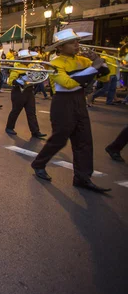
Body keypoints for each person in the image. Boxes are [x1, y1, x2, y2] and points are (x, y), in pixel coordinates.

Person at [31, 29, 111, 192]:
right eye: (72, 42)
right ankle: (39, 163)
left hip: (79, 101)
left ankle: (82, 177)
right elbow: (67, 83)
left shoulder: (83, 60)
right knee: (59, 139)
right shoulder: (55, 64)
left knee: (84, 140)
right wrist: (93, 69)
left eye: (77, 41)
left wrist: (101, 64)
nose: (77, 45)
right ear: (60, 47)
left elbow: (104, 78)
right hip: (63, 102)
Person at [5, 49, 47, 139]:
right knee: (15, 111)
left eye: (29, 57)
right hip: (18, 92)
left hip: (29, 91)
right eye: (27, 58)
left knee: (31, 112)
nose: (29, 59)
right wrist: (20, 81)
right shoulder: (17, 68)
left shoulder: (32, 66)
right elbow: (10, 81)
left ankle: (35, 131)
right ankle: (9, 127)